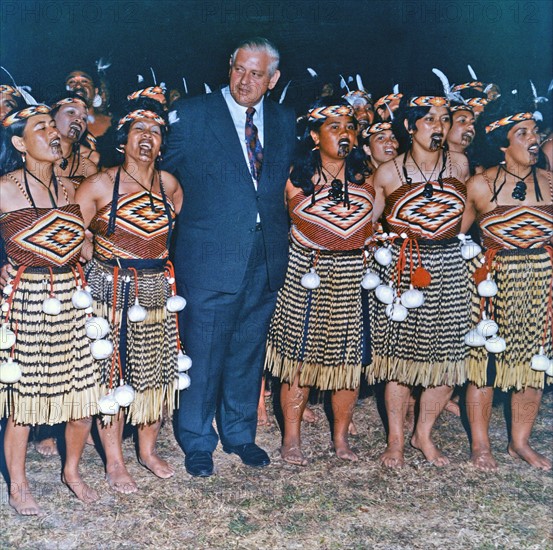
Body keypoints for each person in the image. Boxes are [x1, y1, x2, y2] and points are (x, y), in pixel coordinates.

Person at [163, 37, 296, 477]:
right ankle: (197, 439)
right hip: (208, 257)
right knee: (204, 351)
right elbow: (163, 176)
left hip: (266, 256)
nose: (245, 80)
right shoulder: (194, 114)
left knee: (246, 351)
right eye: (239, 69)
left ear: (273, 80)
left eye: (257, 74)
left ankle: (240, 434)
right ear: (230, 66)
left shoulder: (284, 119)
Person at [76, 99, 183, 493]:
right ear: (123, 140)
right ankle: (115, 461)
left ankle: (148, 450)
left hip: (156, 290)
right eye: (138, 130)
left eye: (154, 132)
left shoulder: (170, 185)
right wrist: (98, 260)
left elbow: (169, 236)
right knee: (113, 374)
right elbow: (73, 234)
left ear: (161, 143)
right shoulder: (100, 184)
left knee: (153, 373)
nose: (146, 137)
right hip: (111, 290)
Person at [0, 105, 100, 514]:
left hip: (73, 297)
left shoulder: (71, 187)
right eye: (41, 128)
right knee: (24, 404)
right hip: (27, 300)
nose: (53, 133)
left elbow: (86, 241)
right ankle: (19, 485)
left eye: (52, 127)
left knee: (83, 398)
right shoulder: (5, 187)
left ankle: (72, 471)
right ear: (20, 143)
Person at [265, 99, 373, 465]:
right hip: (305, 273)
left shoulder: (365, 177)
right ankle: (291, 438)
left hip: (351, 276)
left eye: (350, 127)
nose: (345, 133)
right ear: (314, 135)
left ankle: (340, 439)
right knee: (299, 358)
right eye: (335, 127)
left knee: (347, 359)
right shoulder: (296, 176)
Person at [367, 92, 471, 468]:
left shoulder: (459, 164)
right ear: (410, 127)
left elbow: (468, 215)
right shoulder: (389, 172)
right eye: (429, 119)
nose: (439, 127)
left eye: (444, 120)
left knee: (447, 360)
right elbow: (369, 224)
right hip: (402, 270)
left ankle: (422, 434)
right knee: (398, 360)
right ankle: (395, 440)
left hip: (449, 267)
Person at [461, 98, 552, 472]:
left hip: (541, 284)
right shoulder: (480, 185)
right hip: (493, 287)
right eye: (522, 133)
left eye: (535, 132)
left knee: (534, 366)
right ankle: (481, 444)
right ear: (502, 143)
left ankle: (520, 442)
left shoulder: (550, 182)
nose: (533, 140)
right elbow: (457, 236)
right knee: (484, 368)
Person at [51, 93, 99, 185]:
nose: (79, 120)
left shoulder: (87, 168)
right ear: (52, 117)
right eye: (71, 112)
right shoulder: (31, 158)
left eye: (84, 118)